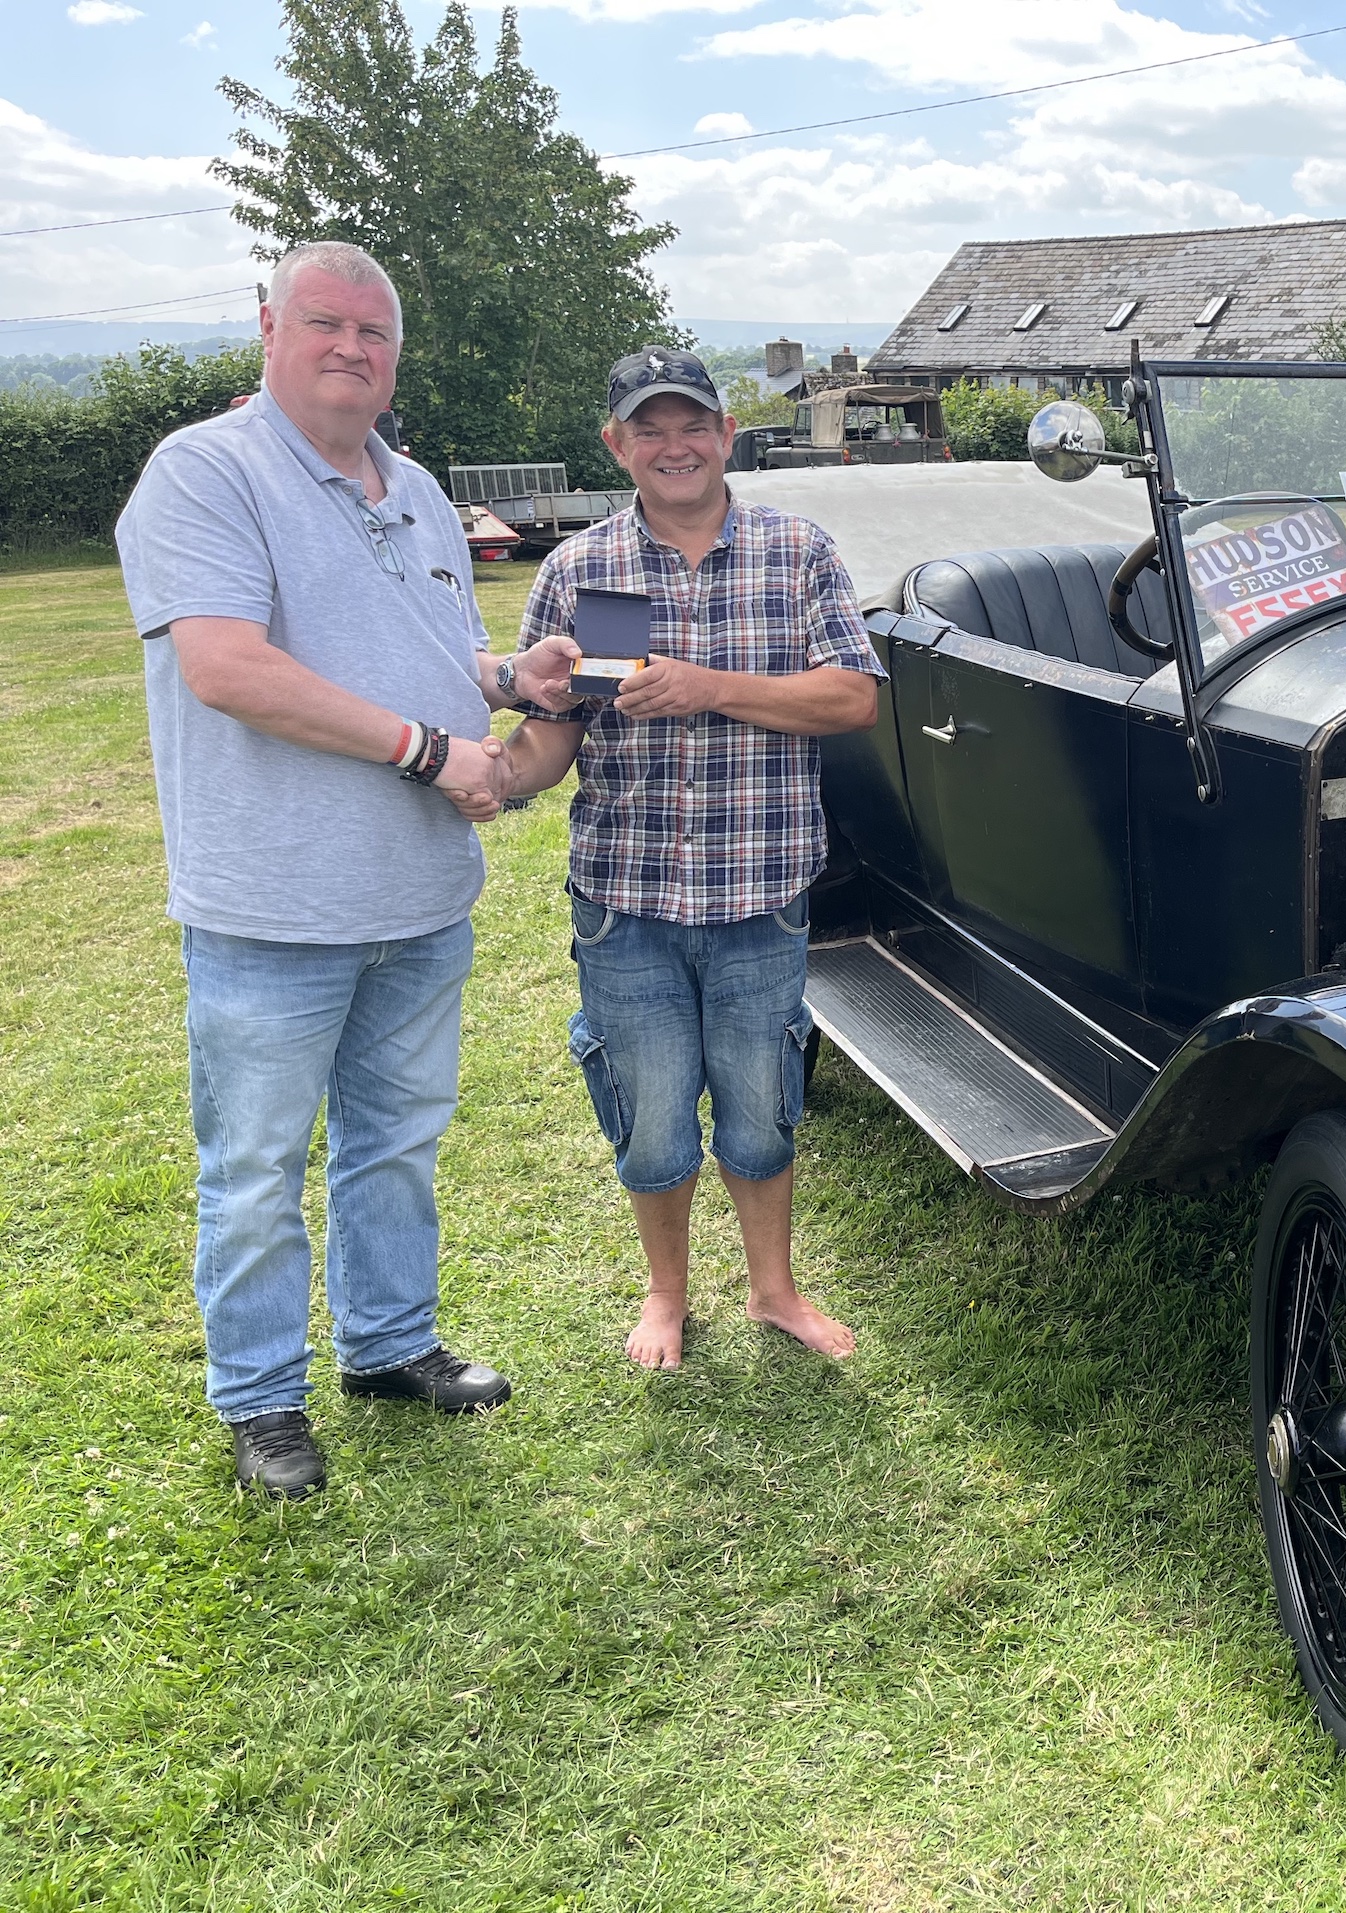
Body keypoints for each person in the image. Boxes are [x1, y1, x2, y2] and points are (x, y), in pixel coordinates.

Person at [115, 240, 584, 1498]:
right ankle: (263, 1400)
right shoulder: (204, 473)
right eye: (324, 322)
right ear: (268, 325)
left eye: (374, 334)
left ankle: (387, 1346)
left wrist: (507, 680)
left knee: (396, 1140)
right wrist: (434, 751)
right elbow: (228, 666)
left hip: (418, 897)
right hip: (274, 903)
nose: (350, 349)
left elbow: (437, 642)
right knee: (258, 1164)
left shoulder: (417, 487)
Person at [500, 345, 881, 1371]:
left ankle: (773, 1290)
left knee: (760, 1112)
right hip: (626, 902)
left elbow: (852, 696)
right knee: (656, 1119)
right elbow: (555, 733)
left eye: (693, 424)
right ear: (617, 444)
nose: (676, 445)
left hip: (760, 893)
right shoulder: (586, 573)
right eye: (650, 428)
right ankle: (666, 1293)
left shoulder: (796, 552)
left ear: (724, 434)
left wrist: (706, 684)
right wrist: (498, 773)